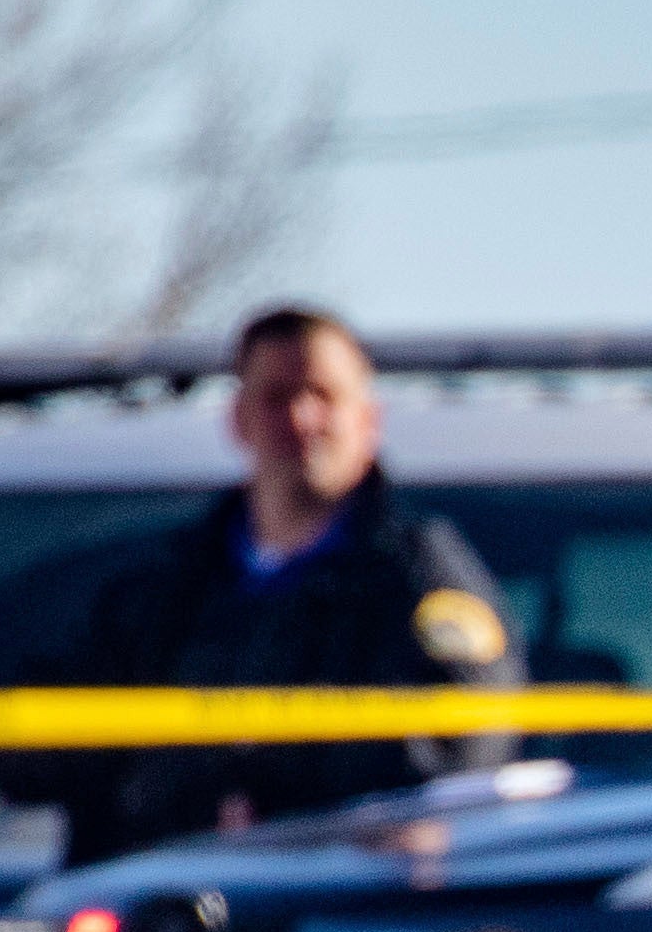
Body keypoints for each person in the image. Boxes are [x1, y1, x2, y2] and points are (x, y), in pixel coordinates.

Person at [46, 304, 526, 854]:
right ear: (238, 420)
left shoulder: (417, 576)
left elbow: (465, 736)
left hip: (344, 903)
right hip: (168, 898)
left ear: (369, 420)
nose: (301, 418)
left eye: (324, 395)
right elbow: (85, 748)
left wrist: (279, 795)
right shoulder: (166, 586)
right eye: (276, 397)